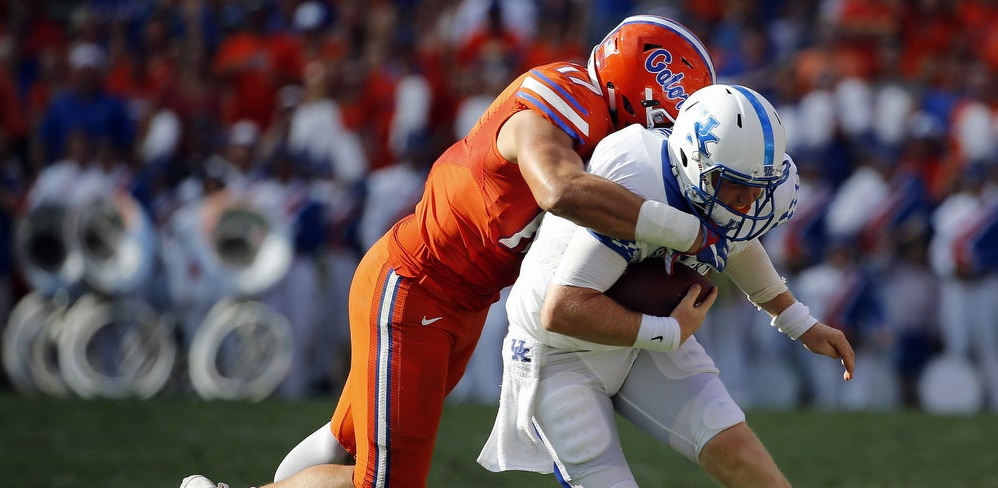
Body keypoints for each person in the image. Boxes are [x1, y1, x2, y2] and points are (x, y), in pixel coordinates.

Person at [184, 15, 724, 488]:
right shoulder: (565, 97)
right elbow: (557, 188)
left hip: (462, 303)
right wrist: (685, 233)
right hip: (416, 288)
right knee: (387, 481)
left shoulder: (606, 141)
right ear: (644, 89)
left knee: (346, 439)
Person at [476, 83, 854, 487]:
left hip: (637, 341)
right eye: (737, 187)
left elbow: (736, 239)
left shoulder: (712, 183)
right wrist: (668, 331)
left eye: (756, 189)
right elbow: (563, 309)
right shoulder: (638, 181)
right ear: (694, 161)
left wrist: (799, 322)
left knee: (744, 460)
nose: (747, 202)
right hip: (560, 355)